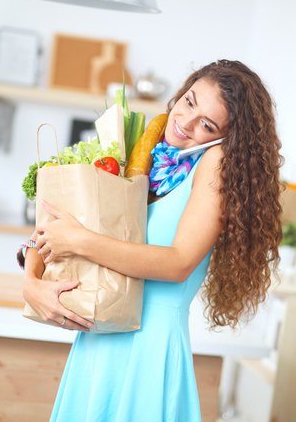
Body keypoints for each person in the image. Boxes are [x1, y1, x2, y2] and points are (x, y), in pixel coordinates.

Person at [21, 59, 283, 422]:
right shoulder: (141, 157)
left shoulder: (218, 163)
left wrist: (81, 241)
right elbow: (55, 220)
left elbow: (178, 263)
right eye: (189, 101)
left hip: (149, 349)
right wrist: (31, 283)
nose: (186, 122)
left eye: (207, 124)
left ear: (228, 138)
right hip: (99, 340)